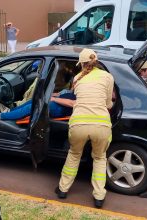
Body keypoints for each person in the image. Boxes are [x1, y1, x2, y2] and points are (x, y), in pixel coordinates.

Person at [55, 48, 114, 209]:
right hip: (101, 125)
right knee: (100, 158)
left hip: (79, 124)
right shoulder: (108, 77)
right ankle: (99, 197)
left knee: (74, 155)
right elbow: (108, 103)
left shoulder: (77, 78)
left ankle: (62, 189)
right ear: (96, 61)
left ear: (81, 64)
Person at [0, 89, 76, 121]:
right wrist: (56, 95)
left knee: (31, 107)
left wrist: (55, 99)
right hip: (60, 102)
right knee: (33, 101)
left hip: (61, 108)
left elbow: (72, 103)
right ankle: (9, 111)